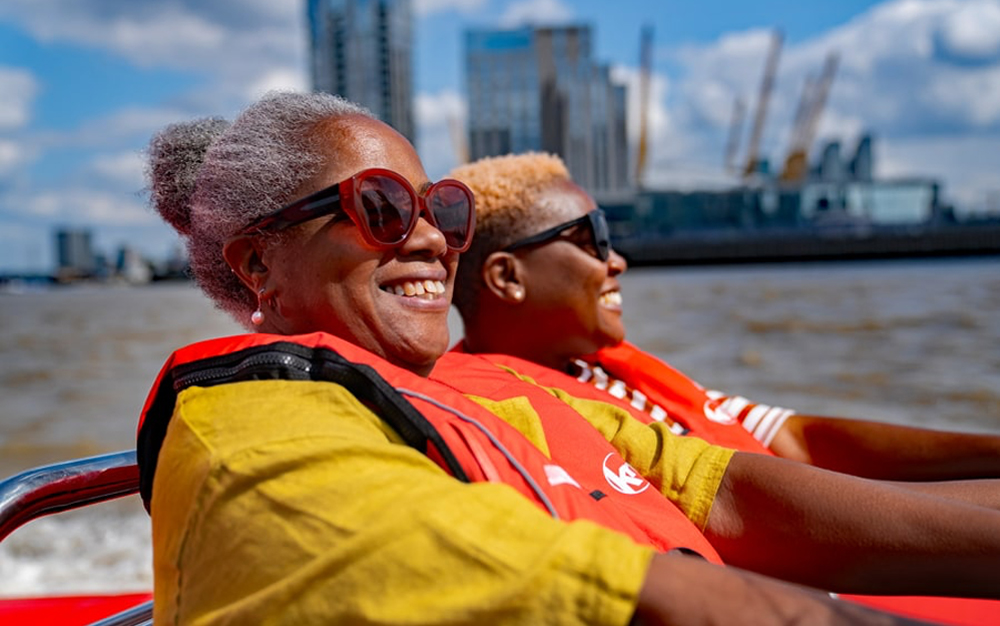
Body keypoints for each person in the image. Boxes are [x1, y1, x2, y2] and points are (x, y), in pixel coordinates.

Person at [141, 91, 998, 626]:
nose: (436, 238)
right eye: (383, 206)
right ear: (258, 262)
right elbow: (531, 577)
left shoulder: (503, 389)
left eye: (441, 207)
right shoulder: (250, 426)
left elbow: (734, 488)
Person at [449, 152, 1000, 495]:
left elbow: (793, 439)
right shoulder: (497, 413)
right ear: (507, 277)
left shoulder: (608, 370)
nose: (616, 262)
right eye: (593, 240)